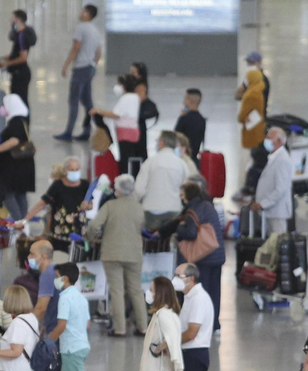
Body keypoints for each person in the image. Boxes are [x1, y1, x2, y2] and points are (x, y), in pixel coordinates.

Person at [85, 173, 148, 337]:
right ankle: (143, 327)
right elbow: (143, 226)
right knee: (136, 290)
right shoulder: (138, 207)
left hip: (112, 253)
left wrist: (92, 238)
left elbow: (94, 225)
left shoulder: (110, 206)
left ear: (118, 190)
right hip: (134, 253)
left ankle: (120, 328)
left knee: (117, 291)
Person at [41, 262, 93, 371]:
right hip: (80, 345)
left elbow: (61, 325)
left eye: (57, 277)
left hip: (71, 349)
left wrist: (48, 342)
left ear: (65, 278)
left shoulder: (64, 297)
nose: (55, 280)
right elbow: (87, 324)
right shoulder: (81, 297)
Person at [56, 4, 102, 142]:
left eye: (83, 10)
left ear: (87, 14)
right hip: (90, 67)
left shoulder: (80, 28)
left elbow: (76, 47)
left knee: (74, 100)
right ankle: (88, 130)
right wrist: (93, 64)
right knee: (87, 101)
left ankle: (69, 132)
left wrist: (66, 65)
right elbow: (99, 51)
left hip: (80, 68)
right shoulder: (95, 29)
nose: (80, 12)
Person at [23, 156, 90, 249]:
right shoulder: (57, 185)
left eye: (77, 169)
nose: (74, 172)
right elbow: (42, 203)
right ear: (65, 170)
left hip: (79, 233)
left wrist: (87, 206)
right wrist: (25, 220)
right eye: (71, 169)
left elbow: (91, 203)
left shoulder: (85, 185)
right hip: (58, 234)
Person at [176, 263, 216, 371]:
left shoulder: (199, 298)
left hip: (194, 355)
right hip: (187, 353)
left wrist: (170, 343)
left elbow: (192, 333)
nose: (175, 280)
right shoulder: (189, 297)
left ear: (191, 279)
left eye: (178, 276)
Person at [0, 94, 35, 221]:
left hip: (13, 166)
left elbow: (14, 141)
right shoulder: (21, 120)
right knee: (20, 194)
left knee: (7, 193)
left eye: (4, 105)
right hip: (21, 164)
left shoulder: (16, 122)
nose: (3, 108)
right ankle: (23, 221)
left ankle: (18, 221)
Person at [136, 131, 190, 229]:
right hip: (174, 210)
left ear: (161, 142)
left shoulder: (150, 162)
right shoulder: (182, 164)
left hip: (151, 211)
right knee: (170, 240)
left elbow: (139, 189)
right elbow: (187, 188)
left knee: (151, 241)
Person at [252, 127, 294, 235]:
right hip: (271, 211)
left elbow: (280, 189)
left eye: (269, 138)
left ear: (279, 141)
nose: (266, 141)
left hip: (277, 212)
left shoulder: (282, 160)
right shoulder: (274, 157)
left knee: (278, 243)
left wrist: (263, 203)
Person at [0, 10, 36, 103]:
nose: (11, 21)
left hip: (21, 73)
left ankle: (22, 118)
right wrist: (3, 58)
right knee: (18, 100)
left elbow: (23, 58)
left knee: (20, 101)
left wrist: (6, 63)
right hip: (18, 73)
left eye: (12, 18)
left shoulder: (22, 35)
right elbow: (16, 53)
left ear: (17, 20)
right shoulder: (20, 35)